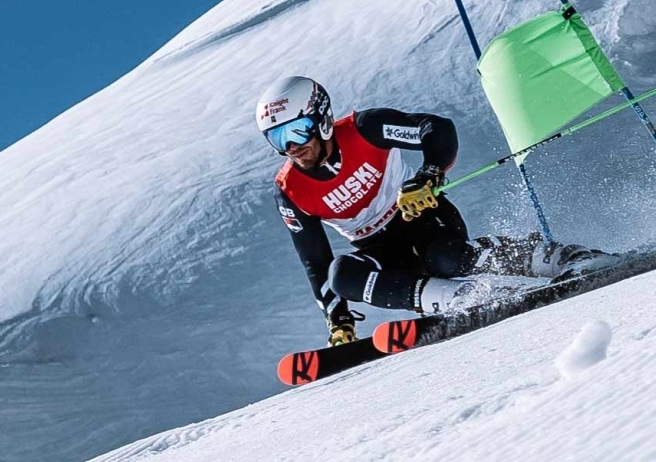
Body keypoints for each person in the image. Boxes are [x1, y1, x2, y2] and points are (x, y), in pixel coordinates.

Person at [257, 75, 606, 345]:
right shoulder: (290, 191)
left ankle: (562, 257)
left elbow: (434, 128)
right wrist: (339, 322)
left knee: (445, 259)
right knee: (341, 274)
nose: (292, 148)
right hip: (379, 250)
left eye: (296, 132)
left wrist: (428, 175)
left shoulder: (365, 129)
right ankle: (462, 300)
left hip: (422, 217)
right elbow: (315, 261)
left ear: (320, 119)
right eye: (277, 138)